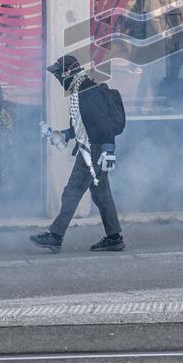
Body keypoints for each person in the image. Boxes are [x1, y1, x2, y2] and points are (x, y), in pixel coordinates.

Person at [31, 54, 124, 253]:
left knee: (72, 191)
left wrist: (109, 150)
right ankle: (114, 237)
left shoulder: (86, 93)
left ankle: (55, 236)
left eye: (58, 75)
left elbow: (104, 123)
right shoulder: (81, 90)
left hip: (94, 149)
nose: (57, 79)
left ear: (68, 72)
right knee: (102, 194)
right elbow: (84, 125)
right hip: (94, 147)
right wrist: (63, 134)